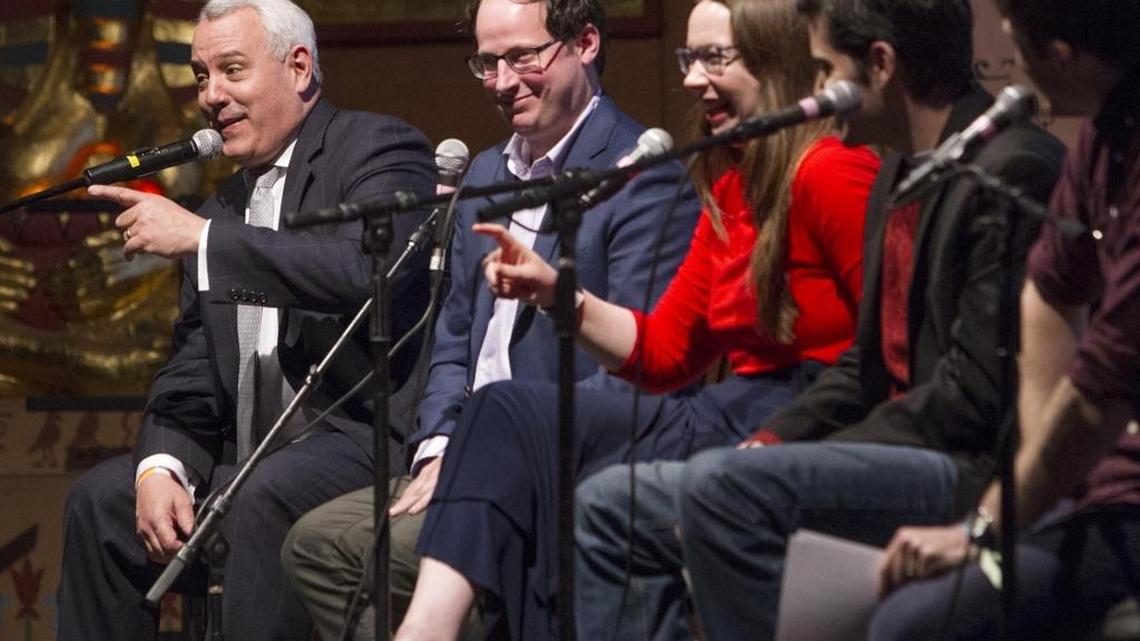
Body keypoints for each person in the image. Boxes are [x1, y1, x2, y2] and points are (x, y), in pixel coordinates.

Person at [572, 1, 1067, 640]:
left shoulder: (1006, 170)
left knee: (724, 490)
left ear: (881, 65)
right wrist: (776, 442)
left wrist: (813, 454)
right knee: (613, 505)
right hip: (895, 446)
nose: (813, 90)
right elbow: (867, 362)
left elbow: (971, 397)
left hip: (963, 464)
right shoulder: (900, 164)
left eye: (824, 70)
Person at [394, 0, 883, 638]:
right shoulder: (733, 182)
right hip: (729, 411)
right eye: (688, 58)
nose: (689, 78)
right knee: (505, 408)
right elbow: (667, 348)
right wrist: (557, 295)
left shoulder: (833, 172)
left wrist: (768, 444)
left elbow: (884, 353)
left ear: (777, 62)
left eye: (714, 58)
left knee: (550, 461)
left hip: (809, 415)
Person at [279, 0, 702, 639]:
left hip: (563, 458)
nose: (501, 83)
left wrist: (497, 453)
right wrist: (440, 447)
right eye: (487, 62)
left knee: (365, 557)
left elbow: (640, 369)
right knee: (315, 542)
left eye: (522, 58)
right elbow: (453, 341)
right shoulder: (485, 172)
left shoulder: (639, 176)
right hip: (464, 454)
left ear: (585, 42)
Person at [54, 1, 436, 640]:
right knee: (102, 502)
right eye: (201, 76)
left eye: (232, 70)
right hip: (251, 454)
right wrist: (160, 469)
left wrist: (204, 242)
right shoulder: (222, 207)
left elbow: (367, 270)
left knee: (264, 492)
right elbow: (192, 371)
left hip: (359, 439)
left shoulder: (376, 145)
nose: (212, 95)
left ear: (299, 67)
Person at [869, 1, 1140, 639]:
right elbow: (1049, 289)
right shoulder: (1106, 135)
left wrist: (988, 525)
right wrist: (1042, 475)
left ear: (1063, 57)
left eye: (1019, 46)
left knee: (912, 623)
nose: (1014, 64)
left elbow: (1102, 390)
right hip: (1099, 492)